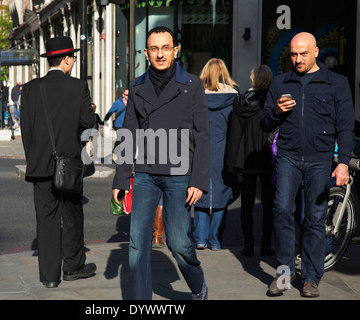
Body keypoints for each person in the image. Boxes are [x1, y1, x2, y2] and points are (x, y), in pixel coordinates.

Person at [112, 26, 210, 300]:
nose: (160, 54)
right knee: (137, 244)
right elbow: (128, 132)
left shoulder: (192, 84)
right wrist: (121, 179)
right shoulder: (136, 85)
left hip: (180, 173)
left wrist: (199, 180)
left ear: (175, 50)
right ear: (146, 52)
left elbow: (203, 135)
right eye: (154, 48)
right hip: (145, 172)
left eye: (166, 47)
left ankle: (197, 282)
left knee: (178, 243)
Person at [260, 32, 354, 298]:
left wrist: (343, 162)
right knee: (281, 211)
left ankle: (311, 278)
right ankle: (284, 274)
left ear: (315, 52)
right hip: (288, 156)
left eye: (303, 53)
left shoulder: (336, 83)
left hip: (320, 159)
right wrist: (276, 112)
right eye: (293, 54)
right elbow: (264, 122)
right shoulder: (280, 82)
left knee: (314, 219)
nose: (297, 59)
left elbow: (345, 126)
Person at [20, 36, 96, 289]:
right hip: (70, 165)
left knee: (46, 221)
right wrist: (92, 111)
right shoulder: (78, 87)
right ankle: (74, 268)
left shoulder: (30, 89)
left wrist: (35, 160)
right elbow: (87, 123)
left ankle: (50, 277)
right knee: (73, 217)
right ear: (66, 60)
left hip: (40, 166)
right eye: (72, 57)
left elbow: (26, 131)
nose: (72, 61)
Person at [226, 64, 275, 257]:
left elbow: (235, 134)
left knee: (246, 205)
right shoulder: (273, 101)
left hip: (244, 159)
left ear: (253, 79)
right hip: (268, 157)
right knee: (268, 205)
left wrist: (231, 162)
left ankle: (248, 244)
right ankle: (265, 245)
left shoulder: (240, 101)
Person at [193, 58, 239, 251]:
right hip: (224, 149)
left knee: (199, 192)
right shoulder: (234, 96)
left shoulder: (195, 95)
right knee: (221, 194)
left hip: (200, 149)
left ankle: (200, 239)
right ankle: (216, 240)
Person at [104, 89, 128, 160]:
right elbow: (110, 112)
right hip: (119, 125)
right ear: (123, 95)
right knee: (120, 139)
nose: (128, 97)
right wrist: (105, 120)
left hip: (127, 124)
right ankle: (114, 152)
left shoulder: (131, 103)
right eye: (127, 95)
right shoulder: (117, 103)